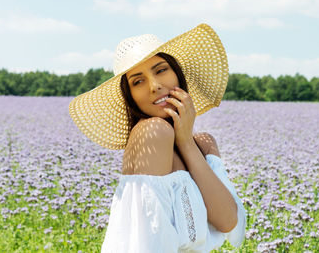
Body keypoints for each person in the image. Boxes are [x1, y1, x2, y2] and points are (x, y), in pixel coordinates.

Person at [69, 23, 246, 252]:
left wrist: (186, 143)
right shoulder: (151, 133)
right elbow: (145, 243)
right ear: (130, 96)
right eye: (138, 81)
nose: (155, 86)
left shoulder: (203, 143)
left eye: (161, 70)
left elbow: (229, 223)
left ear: (177, 74)